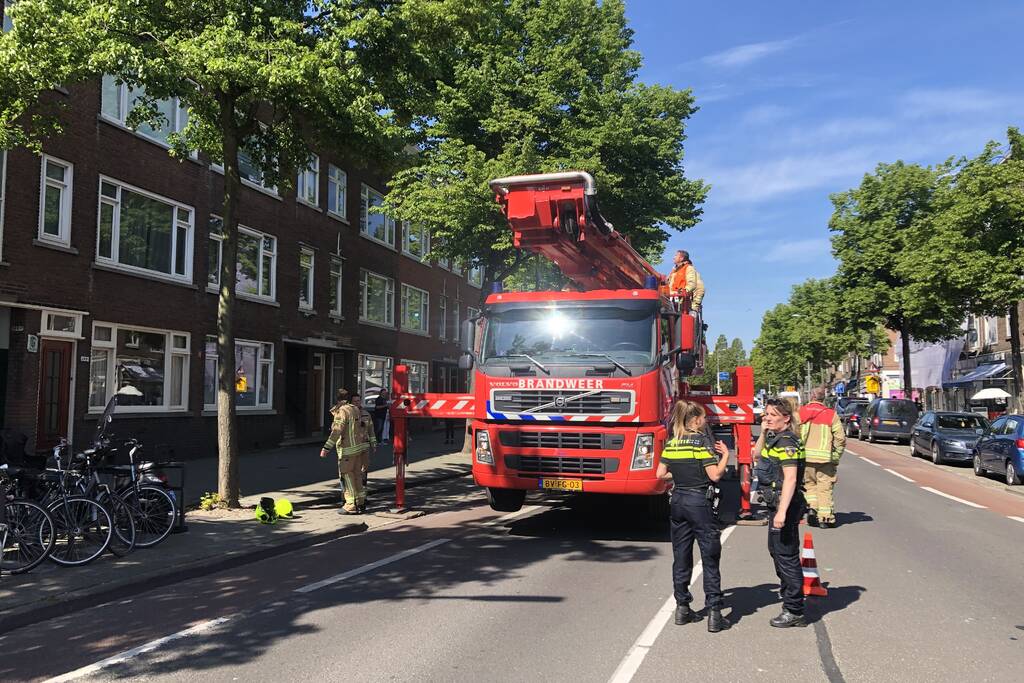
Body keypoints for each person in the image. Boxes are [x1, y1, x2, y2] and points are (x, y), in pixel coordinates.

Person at [657, 400, 732, 632]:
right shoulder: (701, 443)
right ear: (696, 420)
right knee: (710, 556)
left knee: (681, 555)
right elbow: (715, 475)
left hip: (678, 501)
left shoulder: (672, 443)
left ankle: (682, 607)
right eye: (703, 418)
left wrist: (680, 475)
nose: (706, 422)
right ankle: (715, 613)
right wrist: (726, 457)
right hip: (699, 502)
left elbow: (661, 473)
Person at [756, 397, 807, 627]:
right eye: (766, 414)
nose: (767, 418)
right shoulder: (774, 438)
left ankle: (794, 609)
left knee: (786, 556)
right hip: (774, 502)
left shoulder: (787, 442)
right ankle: (789, 595)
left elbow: (791, 479)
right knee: (776, 552)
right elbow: (757, 455)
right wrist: (762, 432)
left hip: (783, 503)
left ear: (786, 418)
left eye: (772, 415)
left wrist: (782, 513)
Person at [321, 389, 376, 514]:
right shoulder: (356, 410)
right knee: (357, 475)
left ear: (338, 400)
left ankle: (350, 504)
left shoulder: (342, 411)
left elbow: (336, 431)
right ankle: (361, 502)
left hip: (347, 450)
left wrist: (326, 448)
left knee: (347, 476)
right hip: (358, 449)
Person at [799, 386, 846, 528]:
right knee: (824, 488)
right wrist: (836, 456)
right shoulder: (831, 415)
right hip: (825, 459)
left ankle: (813, 507)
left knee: (809, 485)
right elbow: (840, 438)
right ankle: (825, 518)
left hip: (805, 457)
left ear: (811, 396)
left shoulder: (801, 412)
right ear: (823, 398)